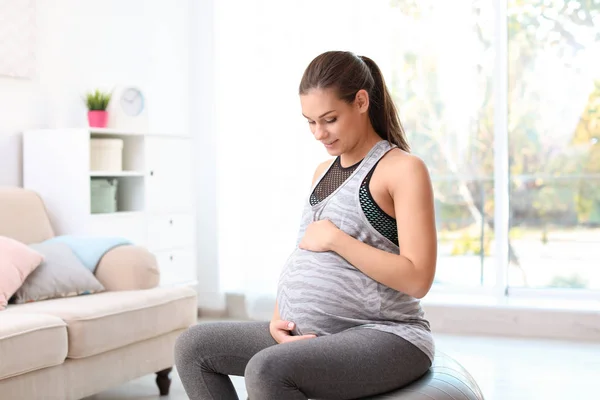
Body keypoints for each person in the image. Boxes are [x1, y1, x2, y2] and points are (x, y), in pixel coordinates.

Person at [175, 50, 437, 400]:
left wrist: (338, 239)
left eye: (329, 119)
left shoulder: (401, 168)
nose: (318, 133)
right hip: (315, 333)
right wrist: (278, 318)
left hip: (386, 334)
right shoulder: (322, 173)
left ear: (361, 101)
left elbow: (418, 278)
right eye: (310, 121)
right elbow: (303, 255)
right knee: (193, 347)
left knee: (267, 369)